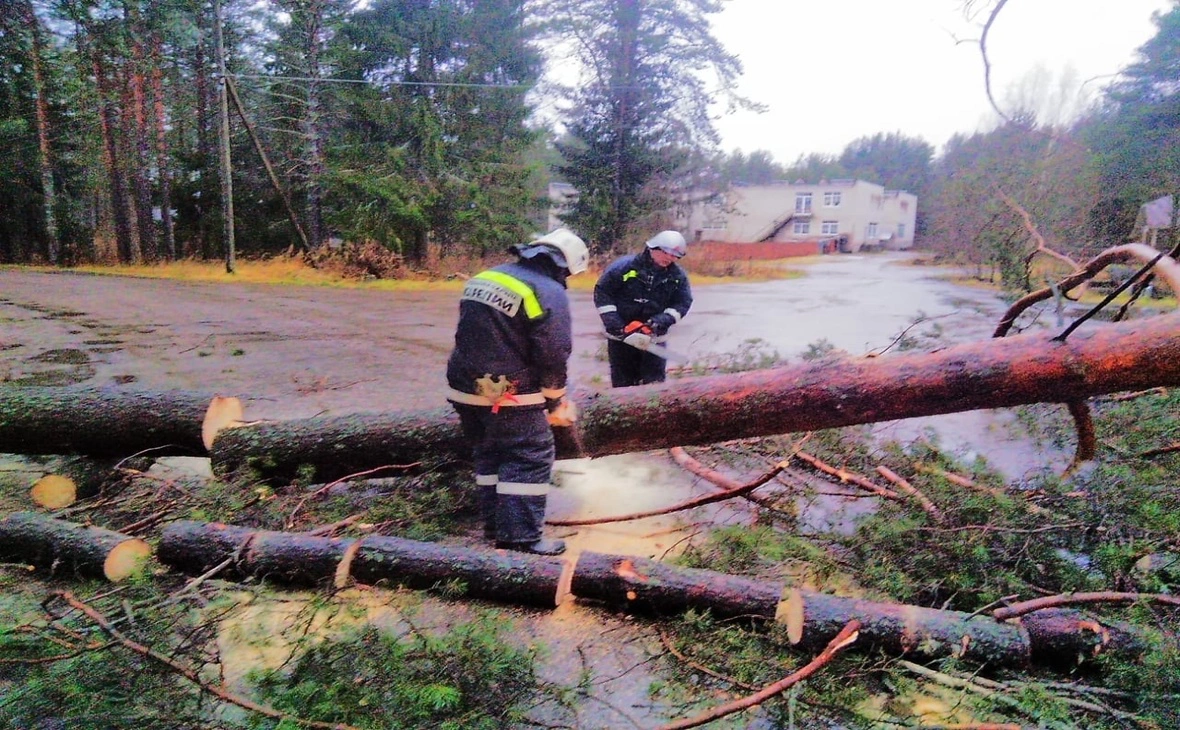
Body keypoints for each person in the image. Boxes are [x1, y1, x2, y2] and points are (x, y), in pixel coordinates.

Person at [445, 228, 588, 556]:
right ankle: (521, 537)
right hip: (508, 390)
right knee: (530, 452)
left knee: (489, 450)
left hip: (464, 385)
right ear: (563, 265)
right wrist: (555, 401)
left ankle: (496, 524)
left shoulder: (486, 277)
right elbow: (553, 352)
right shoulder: (547, 290)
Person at [594, 230, 693, 387]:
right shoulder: (623, 268)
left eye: (676, 256)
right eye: (667, 253)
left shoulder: (677, 277)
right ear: (653, 248)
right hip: (621, 338)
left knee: (654, 383)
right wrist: (618, 326)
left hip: (654, 338)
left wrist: (657, 323)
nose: (670, 259)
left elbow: (682, 303)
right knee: (623, 382)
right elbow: (603, 293)